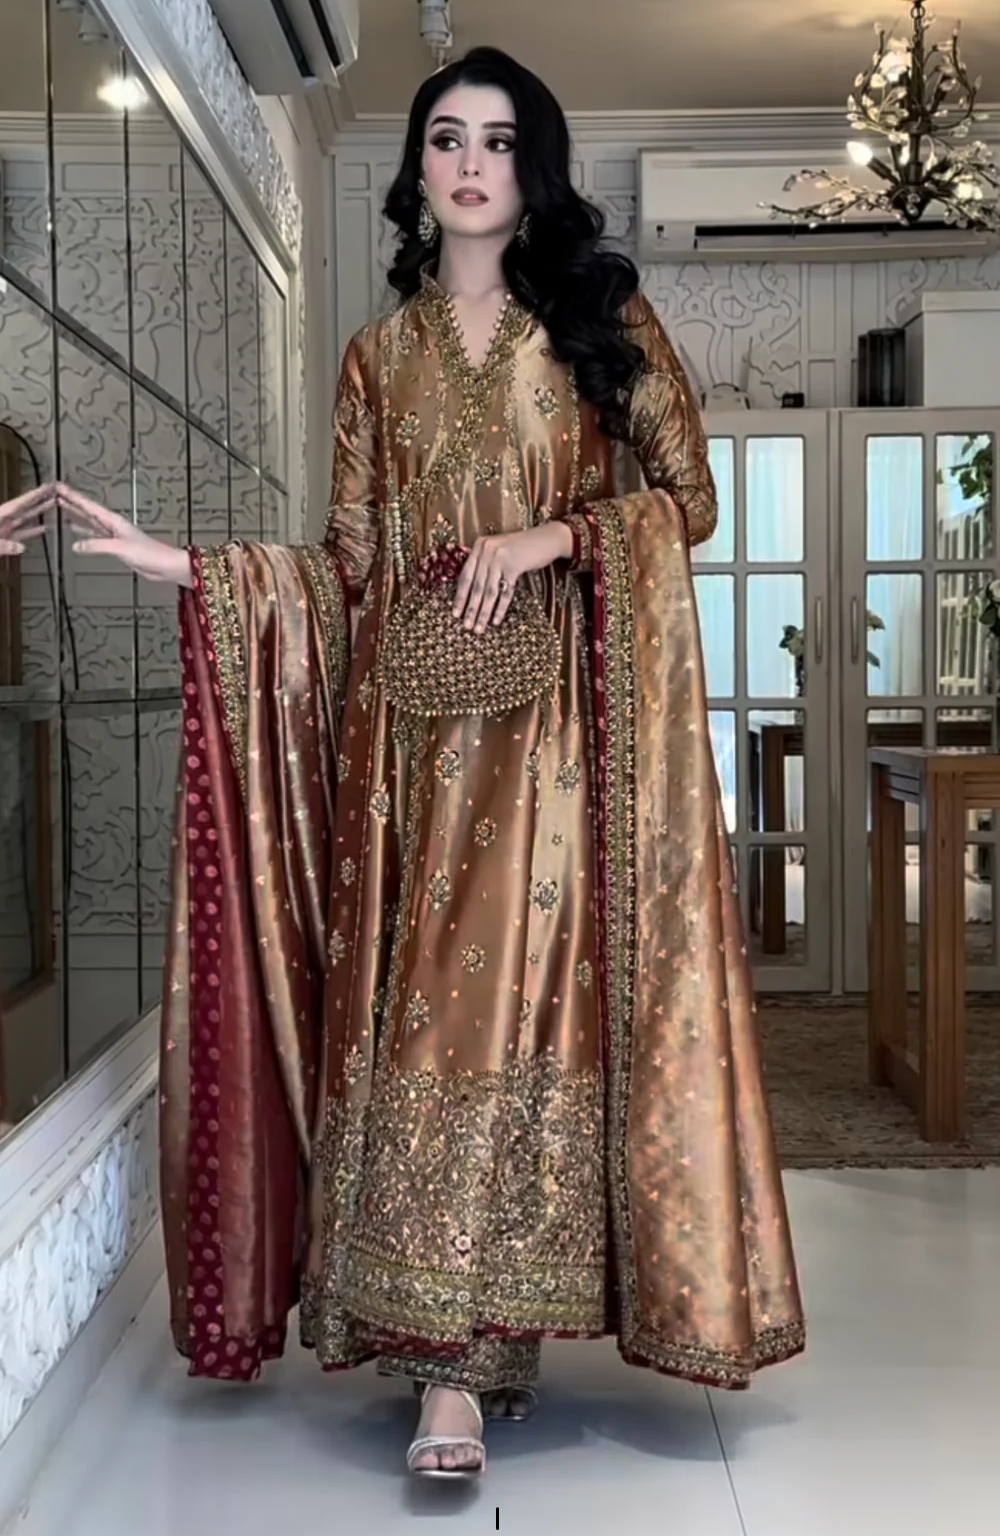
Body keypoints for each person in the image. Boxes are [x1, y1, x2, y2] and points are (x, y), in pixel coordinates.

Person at [0, 46, 803, 1481]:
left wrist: (551, 535)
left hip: (560, 751)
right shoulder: (378, 360)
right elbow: (348, 571)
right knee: (427, 1020)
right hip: (411, 755)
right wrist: (181, 564)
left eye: (498, 139)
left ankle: (462, 1374)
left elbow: (687, 502)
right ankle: (451, 1346)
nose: (471, 162)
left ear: (532, 167)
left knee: (524, 1028)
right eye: (446, 137)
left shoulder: (602, 323)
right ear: (418, 169)